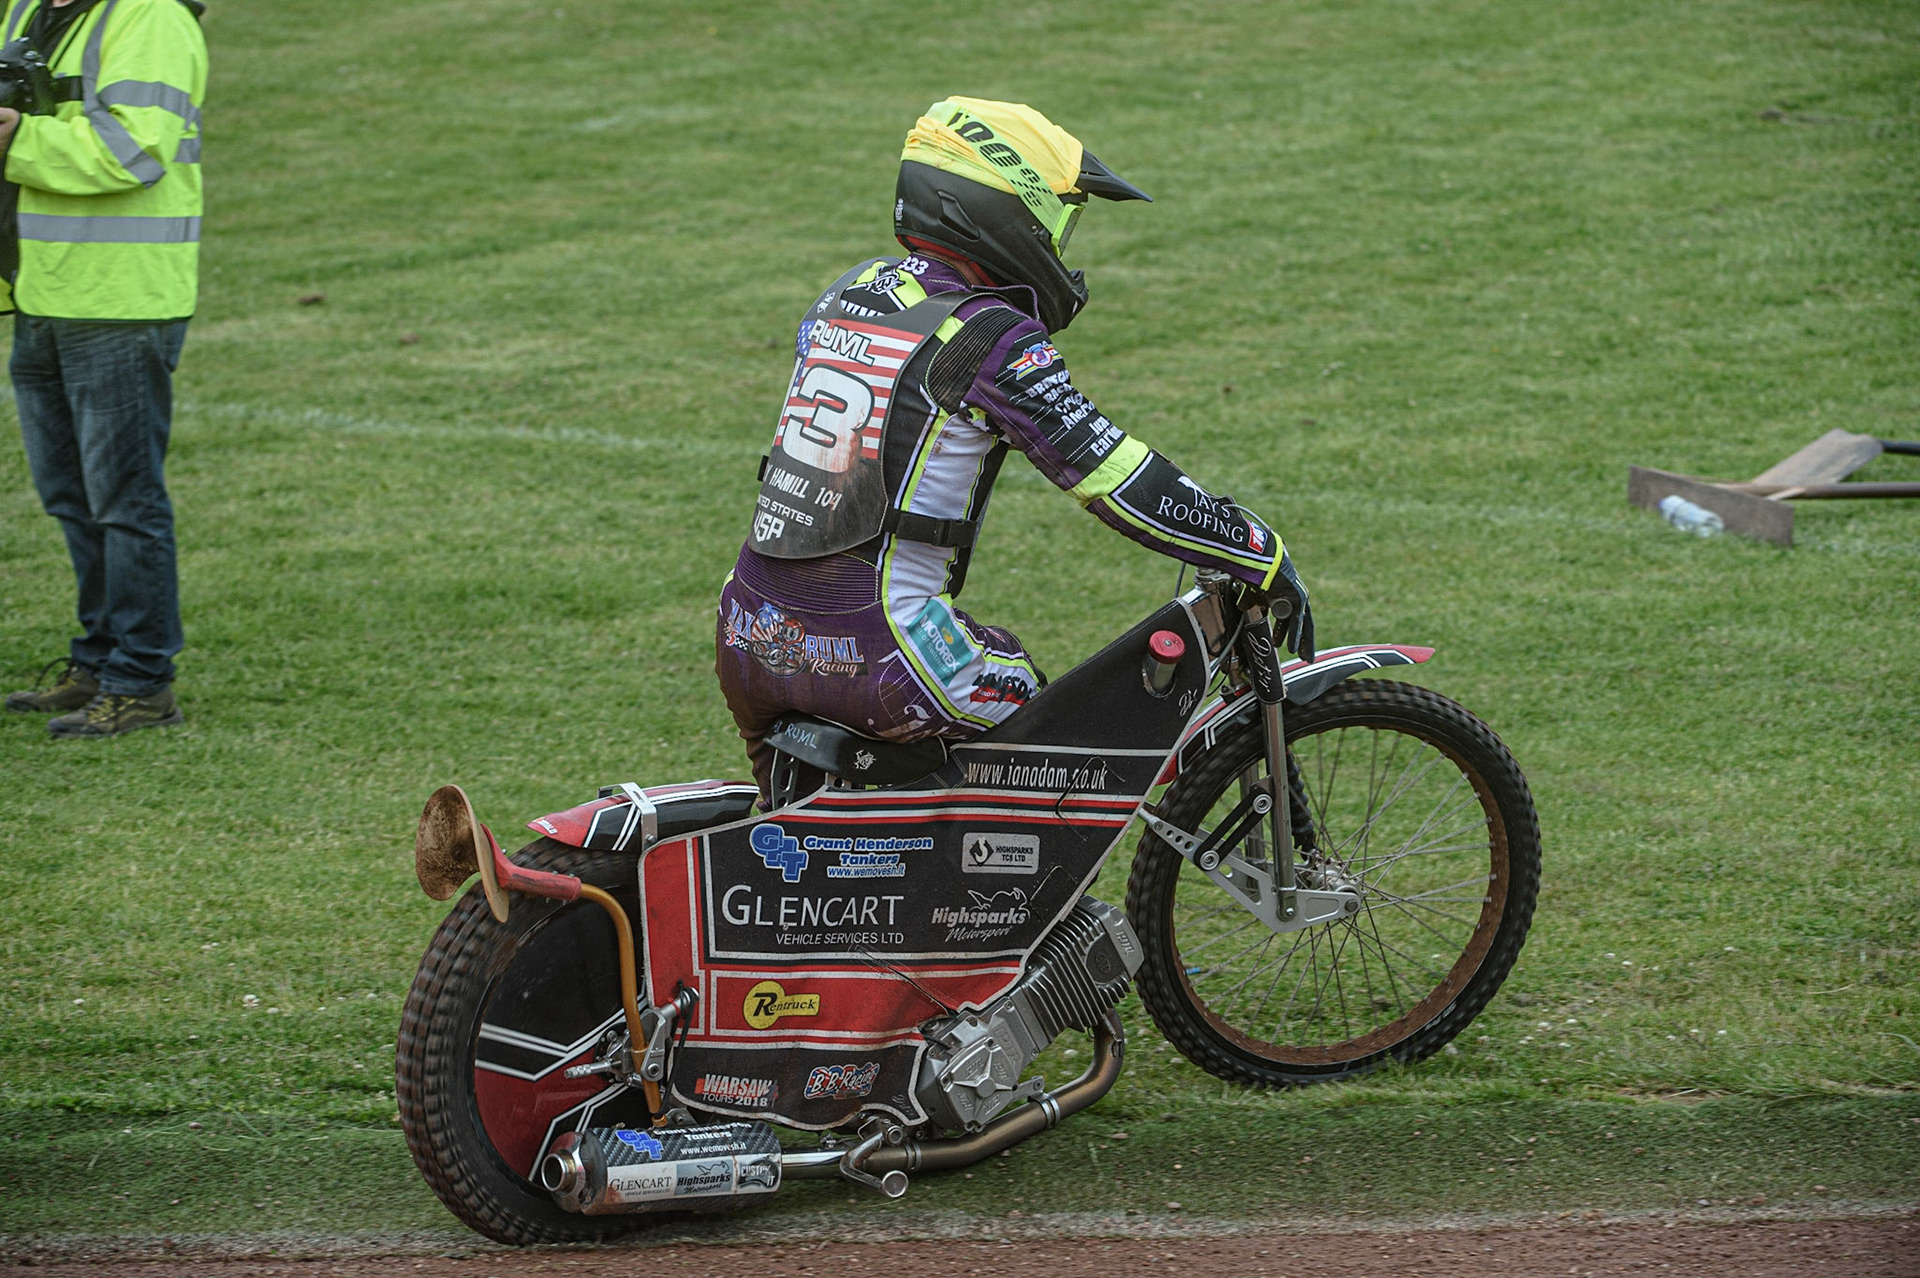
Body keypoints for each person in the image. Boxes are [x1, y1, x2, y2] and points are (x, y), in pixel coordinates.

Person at [717, 97, 1311, 798]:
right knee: (1045, 737)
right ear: (1005, 213)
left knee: (792, 846)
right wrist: (1250, 547)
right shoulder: (988, 335)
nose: (1059, 246)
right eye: (1058, 222)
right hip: (882, 654)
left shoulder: (849, 291)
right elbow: (1113, 475)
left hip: (746, 634)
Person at [0, 0, 206, 737]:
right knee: (72, 497)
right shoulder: (25, 8)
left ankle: (142, 680)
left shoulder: (150, 16)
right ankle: (98, 661)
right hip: (43, 292)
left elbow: (134, 151)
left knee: (123, 501)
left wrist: (17, 137)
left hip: (119, 300)